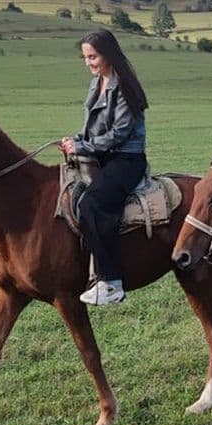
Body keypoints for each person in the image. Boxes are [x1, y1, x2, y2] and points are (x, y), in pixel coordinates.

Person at [59, 29, 148, 306]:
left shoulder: (125, 86)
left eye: (93, 57)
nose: (89, 63)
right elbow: (92, 127)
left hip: (126, 160)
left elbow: (120, 133)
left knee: (90, 205)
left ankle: (111, 281)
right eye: (85, 57)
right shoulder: (97, 82)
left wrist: (83, 147)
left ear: (109, 54)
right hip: (103, 156)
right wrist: (75, 140)